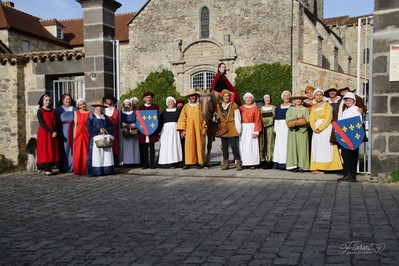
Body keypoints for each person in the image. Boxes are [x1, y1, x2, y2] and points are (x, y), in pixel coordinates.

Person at [309, 88, 342, 174]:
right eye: (317, 95)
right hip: (316, 129)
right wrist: (314, 128)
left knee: (326, 147)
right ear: (315, 97)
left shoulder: (327, 105)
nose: (319, 97)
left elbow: (328, 117)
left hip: (325, 128)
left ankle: (329, 167)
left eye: (320, 95)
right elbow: (311, 119)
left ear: (322, 96)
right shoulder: (314, 107)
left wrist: (321, 128)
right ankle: (318, 167)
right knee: (317, 147)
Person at [177, 89, 207, 169]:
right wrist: (183, 130)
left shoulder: (200, 105)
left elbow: (205, 117)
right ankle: (188, 162)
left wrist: (205, 127)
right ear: (189, 97)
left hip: (199, 129)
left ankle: (200, 162)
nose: (192, 97)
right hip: (189, 129)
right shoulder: (186, 107)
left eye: (193, 95)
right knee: (189, 145)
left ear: (196, 96)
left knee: (199, 145)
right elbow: (182, 118)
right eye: (191, 96)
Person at [337, 92, 363, 182]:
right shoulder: (345, 111)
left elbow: (357, 123)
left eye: (350, 100)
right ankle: (348, 174)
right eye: (346, 100)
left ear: (353, 101)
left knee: (350, 156)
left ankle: (351, 175)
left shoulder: (355, 109)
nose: (348, 102)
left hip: (351, 136)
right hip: (345, 136)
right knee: (345, 155)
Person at [215, 89, 242, 171]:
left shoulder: (234, 105)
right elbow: (214, 117)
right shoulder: (218, 106)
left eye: (227, 96)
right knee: (224, 147)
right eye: (224, 96)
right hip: (223, 128)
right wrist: (215, 118)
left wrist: (239, 129)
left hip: (232, 127)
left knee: (234, 147)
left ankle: (238, 162)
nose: (226, 97)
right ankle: (226, 163)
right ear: (222, 97)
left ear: (229, 97)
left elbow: (237, 118)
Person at [87, 100, 114, 176]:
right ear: (95, 107)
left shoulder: (105, 117)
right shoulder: (91, 117)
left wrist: (105, 130)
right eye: (98, 106)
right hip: (96, 139)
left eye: (101, 107)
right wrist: (98, 130)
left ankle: (107, 170)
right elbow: (89, 127)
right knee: (96, 155)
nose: (100, 108)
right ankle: (96, 171)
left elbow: (112, 126)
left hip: (105, 139)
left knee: (106, 155)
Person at [285, 92, 310, 172]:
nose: (298, 100)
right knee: (293, 147)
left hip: (302, 131)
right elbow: (287, 119)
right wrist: (296, 117)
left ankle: (302, 166)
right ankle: (293, 165)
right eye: (296, 99)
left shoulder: (305, 110)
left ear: (302, 100)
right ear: (294, 100)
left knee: (302, 148)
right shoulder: (290, 109)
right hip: (292, 131)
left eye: (300, 99)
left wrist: (301, 125)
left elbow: (308, 120)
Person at [36, 94, 60, 175]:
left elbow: (56, 122)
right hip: (44, 133)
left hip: (53, 133)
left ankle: (50, 167)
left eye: (49, 100)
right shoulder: (40, 111)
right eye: (46, 100)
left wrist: (55, 131)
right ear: (43, 101)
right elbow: (42, 124)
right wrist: (51, 131)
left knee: (52, 150)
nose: (48, 102)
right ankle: (45, 168)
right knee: (45, 150)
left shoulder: (53, 111)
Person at [158, 96, 183, 168]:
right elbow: (160, 122)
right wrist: (159, 133)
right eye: (169, 102)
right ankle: (165, 162)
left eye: (172, 102)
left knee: (174, 146)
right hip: (165, 131)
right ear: (167, 103)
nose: (170, 103)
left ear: (174, 103)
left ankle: (175, 161)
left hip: (175, 130)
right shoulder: (164, 111)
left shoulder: (178, 110)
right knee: (166, 146)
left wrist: (181, 130)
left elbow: (181, 121)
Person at [239, 92, 262, 169]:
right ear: (244, 99)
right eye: (247, 98)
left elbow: (258, 120)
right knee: (243, 145)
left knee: (252, 145)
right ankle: (243, 162)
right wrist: (238, 130)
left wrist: (256, 132)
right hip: (243, 128)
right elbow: (237, 119)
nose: (248, 100)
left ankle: (253, 163)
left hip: (252, 127)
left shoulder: (255, 108)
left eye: (250, 98)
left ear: (252, 99)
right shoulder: (241, 108)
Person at [137, 91, 159, 169]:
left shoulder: (155, 106)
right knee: (144, 148)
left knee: (152, 147)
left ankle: (152, 163)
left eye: (150, 97)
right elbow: (139, 119)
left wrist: (156, 130)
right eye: (147, 97)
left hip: (152, 129)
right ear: (144, 98)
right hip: (143, 130)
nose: (149, 99)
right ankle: (146, 163)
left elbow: (156, 118)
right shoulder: (141, 107)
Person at [56, 94, 76, 173]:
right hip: (63, 130)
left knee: (73, 148)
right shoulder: (58, 109)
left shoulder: (74, 108)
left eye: (69, 99)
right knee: (64, 148)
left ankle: (73, 166)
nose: (68, 101)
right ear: (62, 100)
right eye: (66, 99)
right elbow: (56, 121)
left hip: (73, 129)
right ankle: (64, 166)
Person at [273, 90, 292, 170]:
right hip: (280, 127)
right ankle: (279, 163)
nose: (286, 97)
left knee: (287, 144)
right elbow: (276, 119)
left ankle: (288, 162)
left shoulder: (292, 106)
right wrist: (276, 129)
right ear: (282, 97)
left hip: (288, 126)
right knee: (280, 144)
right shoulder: (278, 107)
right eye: (285, 95)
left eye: (288, 95)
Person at [73, 98, 92, 175]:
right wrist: (75, 135)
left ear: (85, 104)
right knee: (79, 150)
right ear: (78, 106)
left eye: (83, 104)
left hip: (87, 132)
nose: (82, 106)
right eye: (80, 105)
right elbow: (76, 124)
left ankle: (86, 168)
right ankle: (78, 168)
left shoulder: (90, 113)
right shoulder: (76, 112)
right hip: (79, 132)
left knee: (86, 150)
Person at [120, 99, 140, 167]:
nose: (127, 106)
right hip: (124, 130)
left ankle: (134, 161)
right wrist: (125, 125)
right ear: (123, 105)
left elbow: (137, 121)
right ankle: (125, 162)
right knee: (125, 148)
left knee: (134, 147)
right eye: (125, 104)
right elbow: (120, 121)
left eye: (128, 104)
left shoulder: (134, 112)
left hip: (133, 130)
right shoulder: (121, 112)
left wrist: (132, 125)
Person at [259, 94, 275, 169]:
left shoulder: (274, 108)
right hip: (263, 127)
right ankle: (263, 159)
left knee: (270, 143)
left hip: (271, 128)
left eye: (268, 98)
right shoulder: (260, 109)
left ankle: (270, 160)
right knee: (263, 143)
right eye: (265, 98)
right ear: (263, 99)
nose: (267, 99)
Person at [103, 94, 120, 166]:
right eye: (107, 99)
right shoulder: (102, 109)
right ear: (105, 100)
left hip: (113, 130)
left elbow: (116, 121)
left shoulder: (115, 110)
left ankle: (115, 163)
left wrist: (108, 120)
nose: (109, 100)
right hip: (104, 130)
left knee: (114, 145)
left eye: (110, 99)